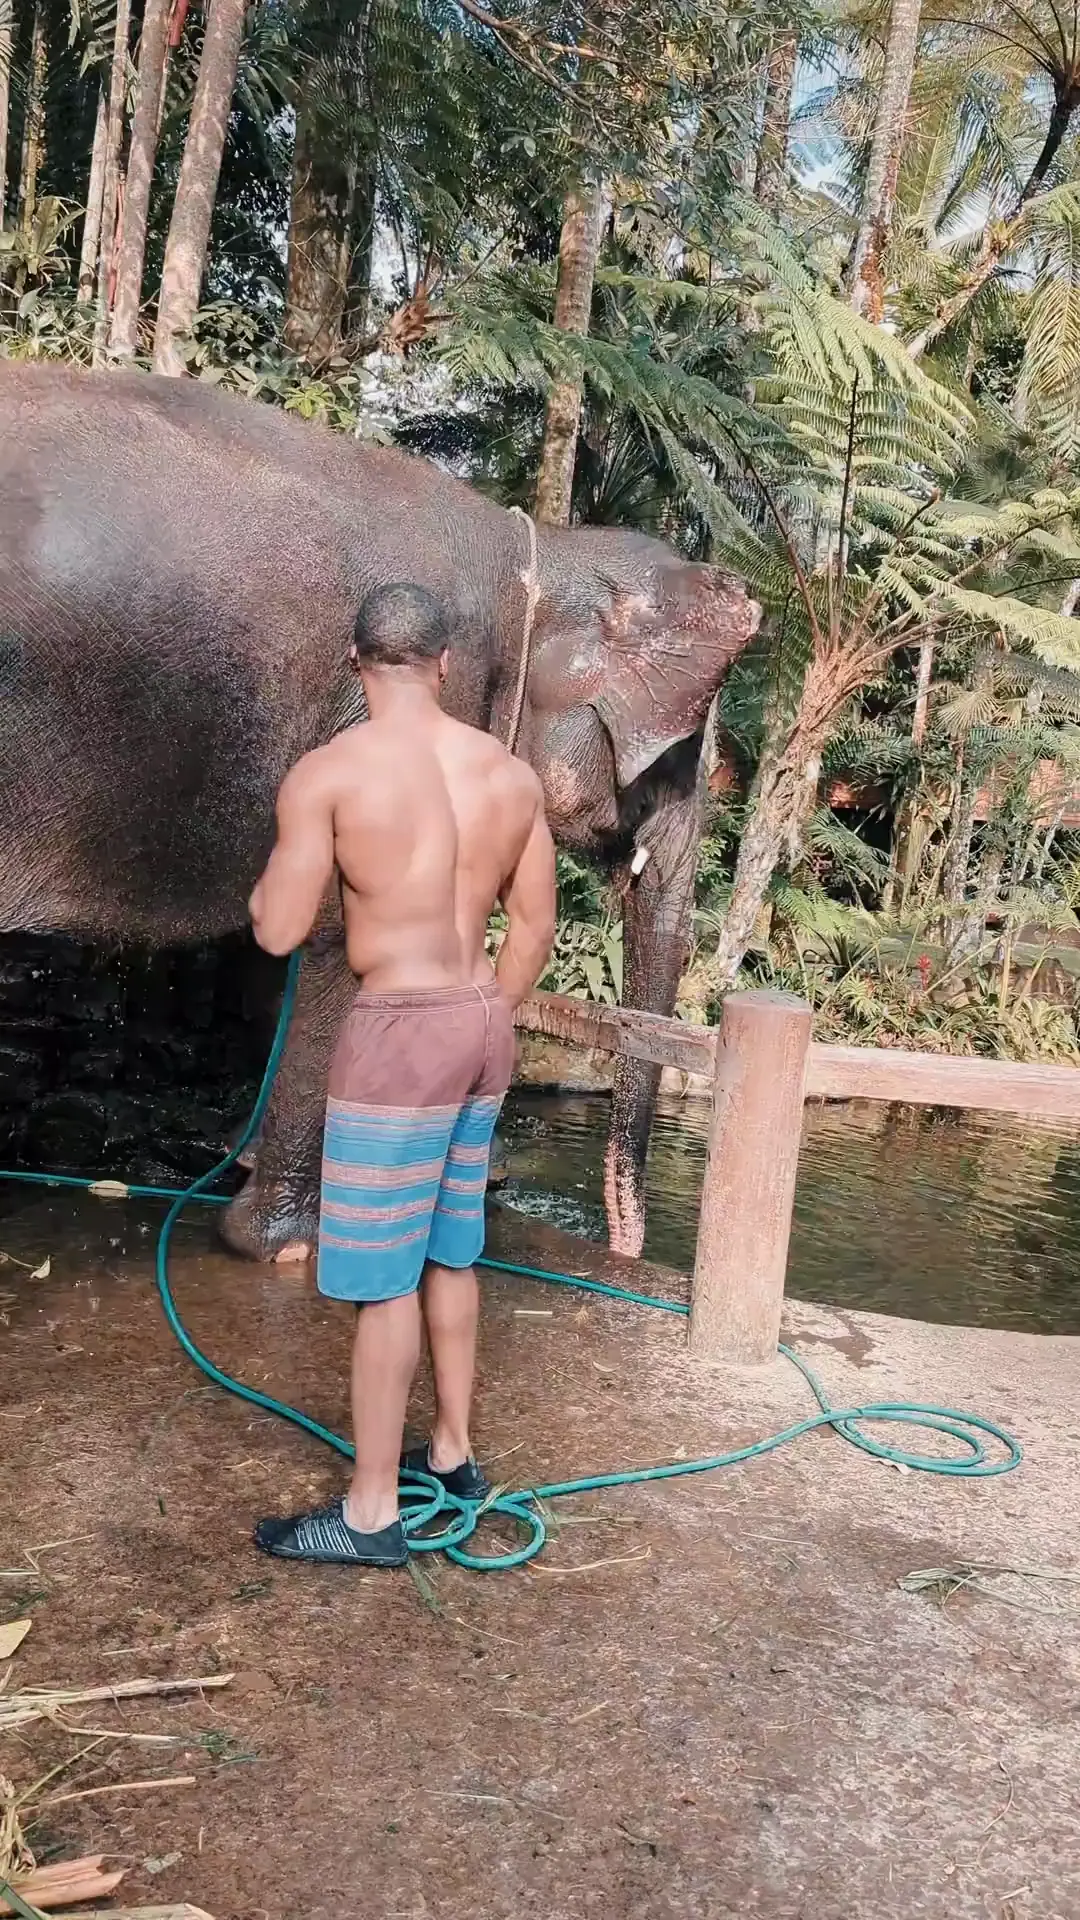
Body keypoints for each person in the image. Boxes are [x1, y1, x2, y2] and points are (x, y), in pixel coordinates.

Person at [247, 583, 556, 1567]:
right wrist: (482, 1015)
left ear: (356, 665)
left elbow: (279, 929)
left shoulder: (331, 774)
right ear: (445, 665)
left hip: (399, 1032)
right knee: (450, 1253)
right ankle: (455, 1455)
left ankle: (373, 1512)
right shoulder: (509, 774)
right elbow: (537, 929)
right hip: (479, 1023)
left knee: (382, 1282)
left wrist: (281, 865)